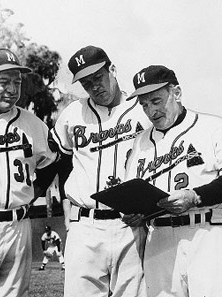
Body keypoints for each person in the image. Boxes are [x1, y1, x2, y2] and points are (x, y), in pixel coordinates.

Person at [124, 65, 222, 297]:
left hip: (207, 231)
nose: (151, 111)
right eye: (144, 105)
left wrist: (195, 196)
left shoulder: (212, 127)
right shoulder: (140, 143)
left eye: (156, 101)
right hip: (160, 238)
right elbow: (133, 191)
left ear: (177, 93)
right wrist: (133, 213)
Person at [52, 45, 150, 297]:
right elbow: (62, 162)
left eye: (98, 78)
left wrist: (150, 210)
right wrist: (66, 210)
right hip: (85, 225)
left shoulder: (142, 110)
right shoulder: (72, 114)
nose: (95, 87)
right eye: (86, 83)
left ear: (113, 70)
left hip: (130, 224)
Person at [0, 49, 58, 297]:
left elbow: (51, 165)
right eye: (3, 82)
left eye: (17, 82)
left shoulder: (34, 124)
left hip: (17, 226)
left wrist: (34, 195)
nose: (12, 89)